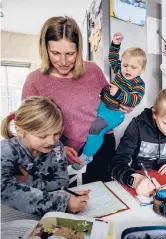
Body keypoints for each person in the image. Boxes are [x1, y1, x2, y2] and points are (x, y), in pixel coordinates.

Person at [21, 16, 132, 183]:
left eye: (70, 54)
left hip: (101, 147)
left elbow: (110, 98)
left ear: (79, 50)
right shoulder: (35, 81)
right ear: (45, 49)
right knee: (65, 202)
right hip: (59, 152)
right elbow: (28, 129)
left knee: (102, 201)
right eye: (55, 53)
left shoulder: (93, 70)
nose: (63, 62)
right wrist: (57, 149)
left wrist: (124, 103)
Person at [1, 96, 89, 216]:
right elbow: (5, 191)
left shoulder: (57, 147)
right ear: (20, 130)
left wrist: (29, 181)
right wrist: (62, 203)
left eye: (57, 133)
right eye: (43, 136)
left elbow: (62, 183)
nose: (52, 141)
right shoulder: (6, 150)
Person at [73, 32, 146, 169]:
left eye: (133, 67)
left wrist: (118, 93)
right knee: (87, 121)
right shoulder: (119, 72)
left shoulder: (138, 84)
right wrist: (116, 44)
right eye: (125, 65)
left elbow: (134, 100)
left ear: (142, 69)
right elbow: (113, 58)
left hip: (114, 113)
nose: (127, 69)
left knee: (96, 128)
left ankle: (87, 155)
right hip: (103, 105)